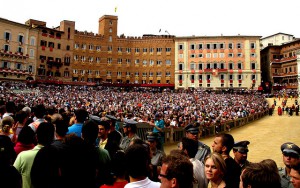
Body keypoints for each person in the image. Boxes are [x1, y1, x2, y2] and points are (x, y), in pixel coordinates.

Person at [14, 122, 55, 188]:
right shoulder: (57, 154)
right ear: (53, 137)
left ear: (36, 137)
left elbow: (13, 176)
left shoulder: (23, 156)